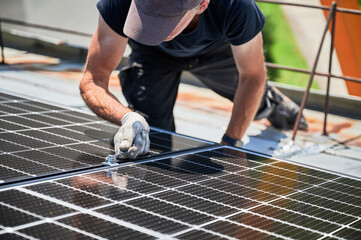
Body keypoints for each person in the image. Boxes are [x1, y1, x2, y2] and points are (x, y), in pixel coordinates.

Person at [80, 0, 307, 159]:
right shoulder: (120, 2)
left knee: (256, 100)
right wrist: (127, 118)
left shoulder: (235, 6)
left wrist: (231, 143)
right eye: (146, 19)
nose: (151, 28)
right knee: (152, 136)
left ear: (202, 5)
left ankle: (274, 102)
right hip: (153, 56)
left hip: (214, 52)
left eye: (163, 22)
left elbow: (252, 76)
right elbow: (92, 80)